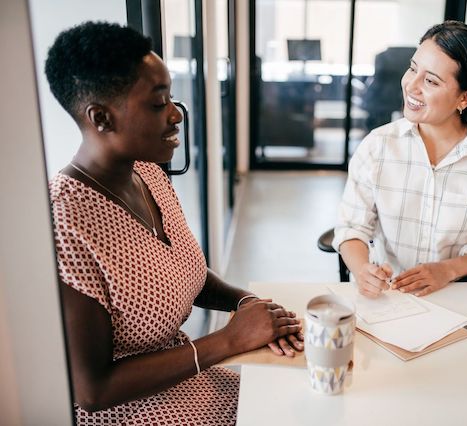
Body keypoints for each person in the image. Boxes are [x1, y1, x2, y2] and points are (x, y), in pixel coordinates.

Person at [45, 22, 303, 425]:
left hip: (185, 376)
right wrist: (230, 339)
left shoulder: (148, 173)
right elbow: (93, 391)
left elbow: (186, 274)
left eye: (171, 97)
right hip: (128, 411)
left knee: (297, 400)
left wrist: (245, 302)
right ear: (102, 118)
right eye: (157, 102)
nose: (175, 114)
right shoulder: (64, 223)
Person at [333, 21, 467, 298]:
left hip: (458, 295)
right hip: (389, 295)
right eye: (412, 68)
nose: (411, 85)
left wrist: (446, 270)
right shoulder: (378, 146)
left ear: (465, 97)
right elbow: (351, 227)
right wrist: (362, 270)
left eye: (431, 81)